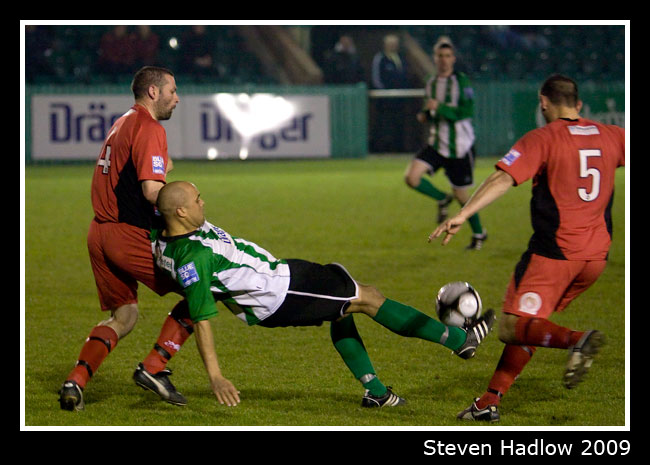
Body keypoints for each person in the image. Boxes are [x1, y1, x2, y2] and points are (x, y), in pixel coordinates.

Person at [146, 181, 496, 408]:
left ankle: (376, 392)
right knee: (367, 298)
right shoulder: (193, 259)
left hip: (283, 277)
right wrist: (216, 377)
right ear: (181, 211)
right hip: (280, 293)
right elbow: (203, 319)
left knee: (342, 310)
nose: (203, 202)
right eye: (197, 200)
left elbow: (153, 206)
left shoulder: (167, 233)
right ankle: (459, 340)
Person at [429, 74, 625, 422]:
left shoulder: (543, 138)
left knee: (511, 326)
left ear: (543, 102)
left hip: (555, 254)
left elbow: (502, 177)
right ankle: (489, 401)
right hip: (596, 258)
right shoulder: (612, 135)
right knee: (531, 324)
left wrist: (464, 214)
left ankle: (577, 340)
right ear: (579, 104)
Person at [58, 66, 191, 411]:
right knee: (199, 288)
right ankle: (153, 368)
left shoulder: (123, 122)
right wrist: (184, 211)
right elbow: (151, 191)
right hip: (126, 235)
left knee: (125, 316)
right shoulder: (150, 127)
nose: (177, 98)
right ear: (153, 92)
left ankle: (75, 382)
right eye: (172, 91)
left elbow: (136, 172)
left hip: (98, 233)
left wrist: (162, 167)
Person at [405, 36, 487, 250]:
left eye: (448, 56)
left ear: (453, 58)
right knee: (411, 178)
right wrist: (425, 115)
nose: (444, 59)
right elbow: (430, 109)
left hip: (460, 147)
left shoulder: (461, 81)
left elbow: (466, 112)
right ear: (435, 58)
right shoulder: (431, 82)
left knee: (462, 196)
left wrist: (439, 108)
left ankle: (479, 233)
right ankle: (442, 198)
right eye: (440, 55)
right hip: (436, 143)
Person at [370, 33, 410, 153]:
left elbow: (404, 76)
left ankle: (398, 148)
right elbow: (376, 79)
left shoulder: (401, 58)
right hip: (385, 100)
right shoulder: (380, 58)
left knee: (399, 124)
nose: (393, 46)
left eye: (395, 44)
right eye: (390, 44)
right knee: (385, 125)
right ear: (385, 45)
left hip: (399, 99)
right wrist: (384, 93)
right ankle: (383, 148)